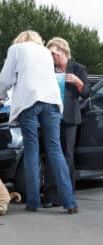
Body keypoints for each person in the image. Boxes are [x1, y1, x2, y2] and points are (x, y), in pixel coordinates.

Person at [0, 30, 78, 214]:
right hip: (52, 102)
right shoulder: (44, 52)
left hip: (30, 102)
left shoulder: (16, 49)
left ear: (20, 40)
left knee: (32, 151)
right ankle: (70, 202)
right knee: (55, 150)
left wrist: (1, 94)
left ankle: (33, 202)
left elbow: (6, 78)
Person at [42, 37, 90, 207]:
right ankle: (49, 196)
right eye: (49, 54)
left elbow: (86, 93)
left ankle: (66, 196)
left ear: (63, 51)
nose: (51, 57)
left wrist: (78, 82)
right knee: (50, 156)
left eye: (53, 54)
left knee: (67, 157)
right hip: (52, 117)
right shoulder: (48, 70)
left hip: (69, 119)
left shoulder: (78, 68)